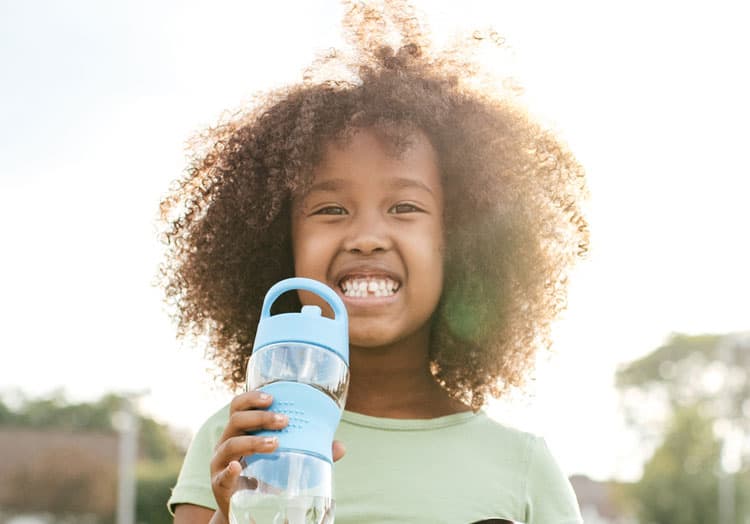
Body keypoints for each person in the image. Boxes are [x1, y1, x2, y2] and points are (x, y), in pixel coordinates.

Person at [160, 1, 589, 522]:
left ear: (461, 242)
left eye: (405, 207)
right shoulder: (238, 440)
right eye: (331, 208)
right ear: (278, 242)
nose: (366, 237)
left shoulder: (523, 468)